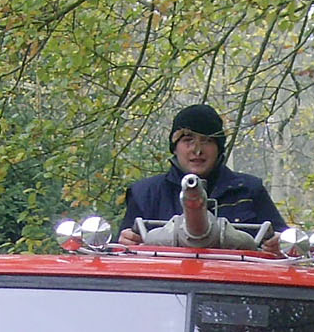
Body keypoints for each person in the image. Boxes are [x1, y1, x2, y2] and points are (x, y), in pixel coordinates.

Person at [117, 104, 286, 245]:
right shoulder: (145, 194)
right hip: (164, 283)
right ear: (175, 148)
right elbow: (122, 256)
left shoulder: (249, 191)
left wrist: (278, 244)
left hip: (237, 282)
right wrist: (126, 241)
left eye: (207, 140)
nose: (197, 150)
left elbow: (288, 247)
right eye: (188, 140)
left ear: (219, 148)